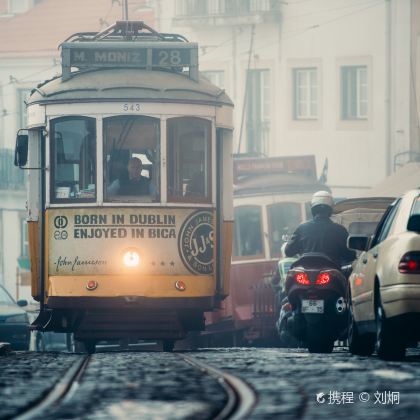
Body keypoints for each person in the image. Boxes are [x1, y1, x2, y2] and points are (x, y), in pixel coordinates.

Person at [284, 191, 356, 266]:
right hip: (332, 271)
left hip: (306, 271)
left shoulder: (302, 228)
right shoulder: (340, 229)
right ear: (330, 209)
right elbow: (350, 256)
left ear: (313, 208)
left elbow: (289, 252)